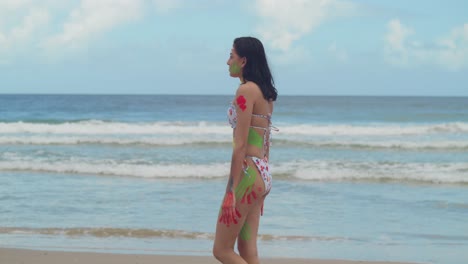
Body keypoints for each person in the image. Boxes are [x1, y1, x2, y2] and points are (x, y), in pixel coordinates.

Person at [213, 36, 278, 264]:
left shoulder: (246, 91)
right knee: (247, 249)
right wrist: (263, 186)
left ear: (243, 61)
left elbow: (240, 144)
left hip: (248, 175)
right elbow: (266, 141)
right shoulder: (265, 93)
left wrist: (231, 189)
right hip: (261, 173)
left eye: (231, 55)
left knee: (222, 250)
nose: (227, 61)